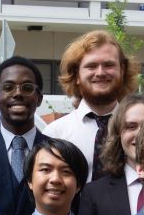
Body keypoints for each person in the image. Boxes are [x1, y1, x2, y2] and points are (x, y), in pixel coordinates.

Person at [42, 31, 137, 181]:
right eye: (91, 66)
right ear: (77, 75)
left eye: (109, 65)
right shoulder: (55, 134)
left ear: (122, 71)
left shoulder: (142, 131)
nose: (100, 73)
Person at [0, 56, 48, 215]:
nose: (18, 93)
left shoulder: (56, 152)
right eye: (8, 87)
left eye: (27, 88)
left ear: (39, 98)